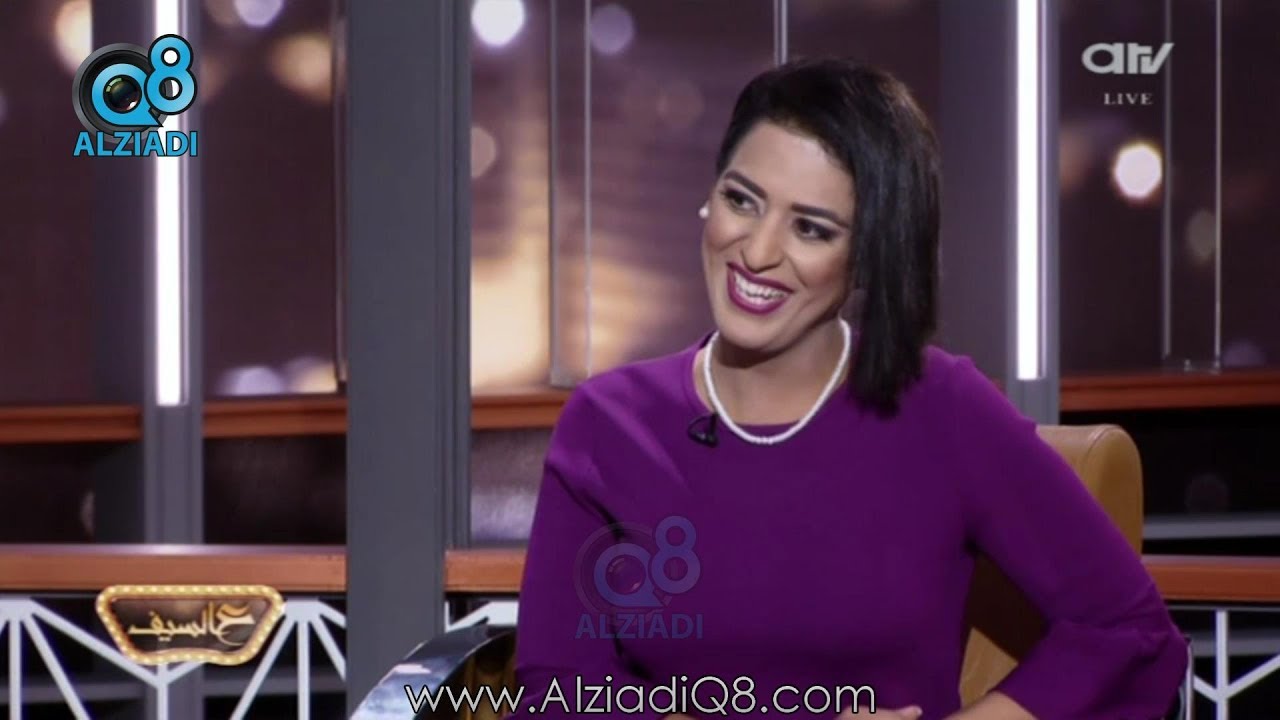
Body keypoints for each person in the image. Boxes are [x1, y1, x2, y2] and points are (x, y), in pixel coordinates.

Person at [513, 58, 1187, 720]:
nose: (757, 252)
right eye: (742, 200)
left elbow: (1129, 631)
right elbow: (558, 693)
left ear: (867, 255)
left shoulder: (942, 408)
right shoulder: (609, 424)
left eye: (811, 228)